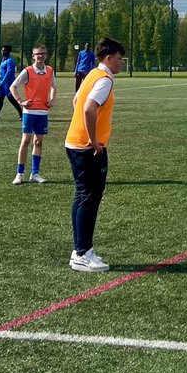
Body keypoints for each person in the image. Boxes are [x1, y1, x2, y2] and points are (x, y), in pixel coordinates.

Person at [64, 37, 125, 272]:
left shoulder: (92, 74)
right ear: (108, 58)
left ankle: (79, 249)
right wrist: (92, 137)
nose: (122, 63)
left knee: (82, 196)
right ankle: (82, 253)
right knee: (89, 198)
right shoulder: (105, 79)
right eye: (120, 59)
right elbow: (88, 107)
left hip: (74, 142)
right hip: (87, 147)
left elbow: (76, 100)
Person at [11, 44, 56, 185]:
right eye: (38, 54)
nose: (40, 56)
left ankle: (35, 173)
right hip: (29, 112)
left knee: (38, 141)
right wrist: (20, 101)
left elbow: (54, 86)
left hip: (43, 112)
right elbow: (13, 86)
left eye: (43, 53)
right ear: (33, 56)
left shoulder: (50, 70)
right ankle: (20, 173)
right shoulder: (28, 71)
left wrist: (52, 100)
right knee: (25, 140)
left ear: (46, 55)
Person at [0, 44, 21, 122]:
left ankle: (22, 114)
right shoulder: (3, 60)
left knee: (12, 99)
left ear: (8, 51)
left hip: (8, 84)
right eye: (2, 50)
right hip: (1, 83)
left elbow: (9, 73)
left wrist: (2, 83)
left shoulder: (10, 61)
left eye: (4, 50)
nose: (2, 51)